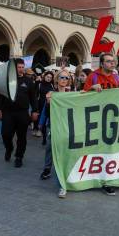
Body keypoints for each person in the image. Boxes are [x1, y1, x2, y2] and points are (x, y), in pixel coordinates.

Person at [83, 52, 119, 195]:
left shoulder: (116, 77)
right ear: (101, 63)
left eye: (113, 61)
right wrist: (91, 88)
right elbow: (82, 96)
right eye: (108, 61)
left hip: (112, 120)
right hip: (96, 119)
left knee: (109, 150)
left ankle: (107, 180)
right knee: (96, 149)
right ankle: (92, 177)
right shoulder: (93, 76)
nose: (112, 64)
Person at [0, 59, 38, 168]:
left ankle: (19, 157)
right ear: (14, 68)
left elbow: (33, 98)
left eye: (22, 67)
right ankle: (9, 148)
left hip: (22, 113)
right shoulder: (6, 80)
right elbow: (0, 95)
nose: (21, 69)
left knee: (21, 137)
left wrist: (34, 111)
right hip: (8, 112)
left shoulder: (28, 81)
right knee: (5, 134)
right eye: (19, 67)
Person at [39, 69, 73, 198]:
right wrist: (48, 103)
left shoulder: (71, 94)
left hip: (68, 128)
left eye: (66, 78)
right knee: (51, 148)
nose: (64, 80)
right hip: (54, 126)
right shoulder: (51, 94)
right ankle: (47, 168)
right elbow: (47, 113)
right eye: (62, 77)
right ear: (57, 80)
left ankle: (63, 183)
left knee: (63, 154)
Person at [36, 71, 55, 139]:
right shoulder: (40, 84)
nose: (49, 78)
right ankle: (40, 131)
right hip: (41, 104)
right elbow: (36, 95)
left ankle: (45, 136)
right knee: (42, 119)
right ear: (45, 77)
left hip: (49, 105)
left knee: (47, 120)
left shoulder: (52, 85)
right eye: (47, 77)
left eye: (50, 77)